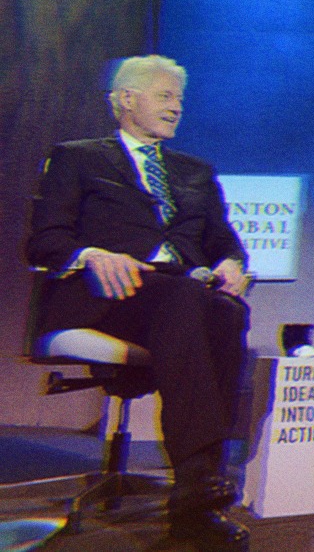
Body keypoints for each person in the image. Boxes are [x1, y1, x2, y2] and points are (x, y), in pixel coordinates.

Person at [26, 55, 251, 552]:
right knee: (190, 301)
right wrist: (90, 254)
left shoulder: (195, 172)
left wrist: (235, 264)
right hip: (107, 295)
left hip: (181, 295)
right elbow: (43, 243)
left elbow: (225, 243)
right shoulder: (78, 157)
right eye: (166, 96)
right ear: (127, 99)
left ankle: (197, 492)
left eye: (180, 99)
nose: (177, 108)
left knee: (228, 309)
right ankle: (198, 490)